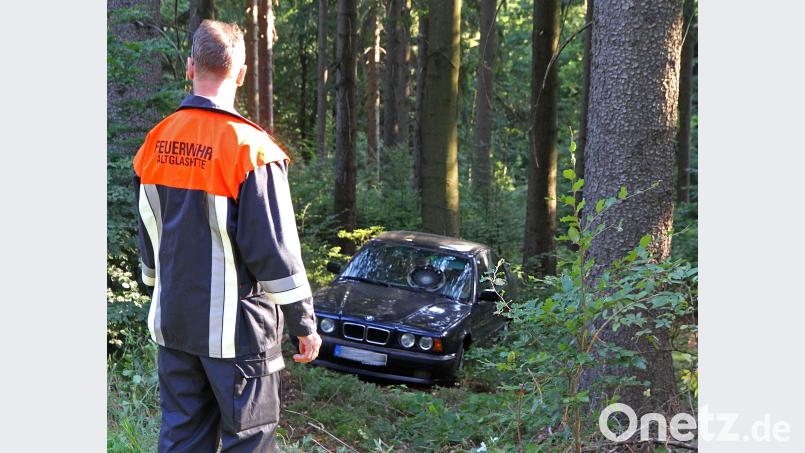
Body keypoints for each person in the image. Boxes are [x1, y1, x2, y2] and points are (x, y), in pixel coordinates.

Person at [132, 19, 321, 452]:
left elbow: (148, 233)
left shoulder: (155, 143)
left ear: (190, 66)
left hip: (174, 323)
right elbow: (274, 251)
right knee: (249, 441)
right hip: (238, 336)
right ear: (241, 73)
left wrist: (154, 286)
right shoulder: (251, 150)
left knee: (182, 439)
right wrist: (303, 323)